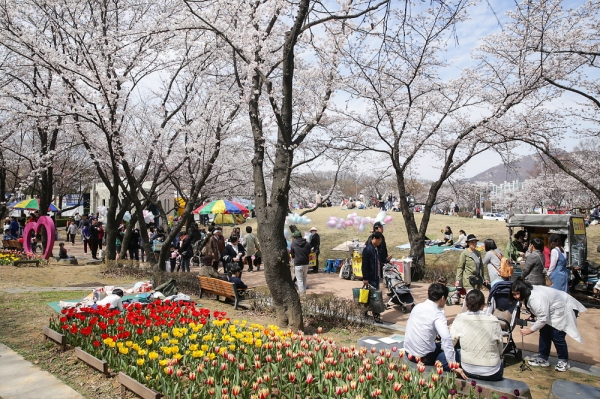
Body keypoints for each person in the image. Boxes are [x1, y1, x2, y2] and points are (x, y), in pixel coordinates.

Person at [511, 280, 586, 372]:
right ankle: (542, 358)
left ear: (523, 290)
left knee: (557, 335)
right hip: (552, 310)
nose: (516, 297)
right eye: (514, 294)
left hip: (564, 308)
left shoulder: (535, 299)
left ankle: (564, 361)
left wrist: (530, 330)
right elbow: (541, 314)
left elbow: (543, 318)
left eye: (518, 294)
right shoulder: (527, 293)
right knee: (544, 332)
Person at [404, 283, 466, 376]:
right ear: (442, 298)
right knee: (455, 349)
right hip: (424, 357)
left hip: (409, 353)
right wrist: (453, 364)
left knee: (440, 345)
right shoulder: (438, 314)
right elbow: (446, 338)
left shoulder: (417, 307)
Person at [450, 289, 503, 381]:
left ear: (466, 304)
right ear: (483, 305)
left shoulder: (460, 318)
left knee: (455, 349)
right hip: (492, 371)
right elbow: (500, 347)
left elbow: (450, 342)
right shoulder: (494, 320)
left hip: (467, 369)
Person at [290, 230, 311, 295]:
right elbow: (309, 252)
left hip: (298, 263)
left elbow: (292, 253)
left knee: (299, 280)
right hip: (306, 263)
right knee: (304, 278)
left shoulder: (293, 243)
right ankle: (304, 292)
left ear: (295, 237)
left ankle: (302, 295)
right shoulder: (307, 243)